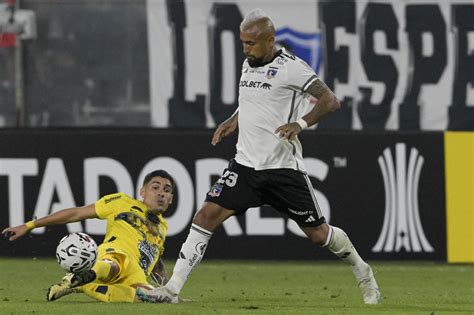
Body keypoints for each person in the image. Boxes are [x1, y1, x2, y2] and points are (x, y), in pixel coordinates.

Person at [137, 9, 381, 305]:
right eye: (242, 43)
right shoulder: (248, 64)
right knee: (205, 216)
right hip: (245, 167)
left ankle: (363, 272)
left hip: (281, 169)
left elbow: (331, 101)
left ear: (269, 40)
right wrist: (234, 119)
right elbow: (255, 101)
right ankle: (172, 289)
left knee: (318, 235)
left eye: (251, 43)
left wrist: (300, 124)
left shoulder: (293, 68)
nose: (245, 49)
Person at [2, 169, 175, 303]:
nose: (161, 193)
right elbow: (76, 213)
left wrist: (168, 290)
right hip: (114, 254)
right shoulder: (123, 202)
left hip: (135, 274)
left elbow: (155, 261)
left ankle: (83, 284)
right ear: (142, 191)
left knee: (157, 300)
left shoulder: (163, 228)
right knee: (114, 264)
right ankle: (90, 274)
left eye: (166, 190)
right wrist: (30, 225)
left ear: (171, 199)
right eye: (155, 187)